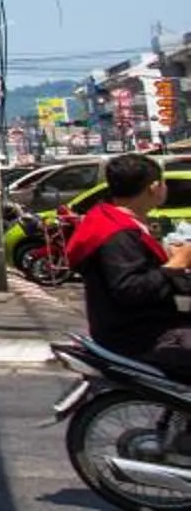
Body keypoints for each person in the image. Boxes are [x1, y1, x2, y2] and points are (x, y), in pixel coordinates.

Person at [64, 153, 191, 378]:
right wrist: (175, 265)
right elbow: (130, 288)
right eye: (163, 183)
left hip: (149, 323)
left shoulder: (119, 221)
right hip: (138, 335)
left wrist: (173, 263)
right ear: (154, 187)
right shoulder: (117, 233)